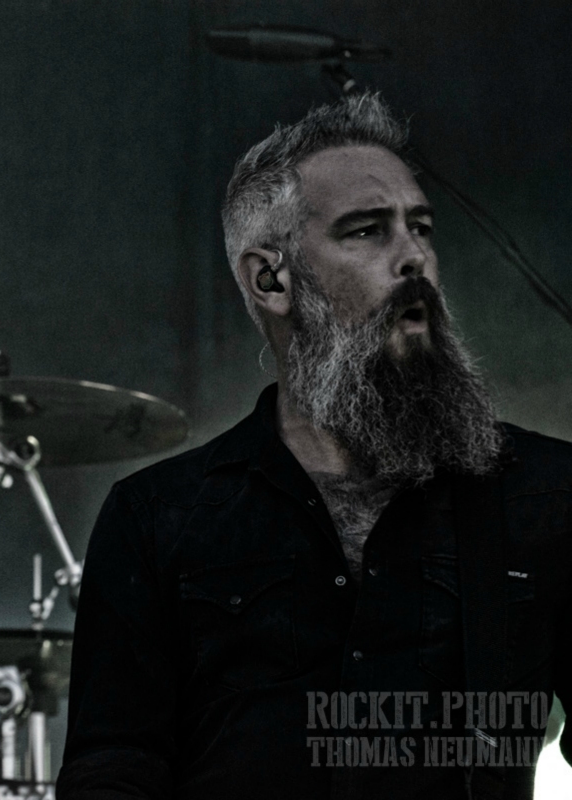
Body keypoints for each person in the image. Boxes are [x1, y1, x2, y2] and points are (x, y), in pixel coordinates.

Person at [57, 93, 572, 800]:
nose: (414, 258)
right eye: (367, 231)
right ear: (269, 279)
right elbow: (113, 769)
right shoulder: (156, 517)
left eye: (420, 228)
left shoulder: (546, 495)